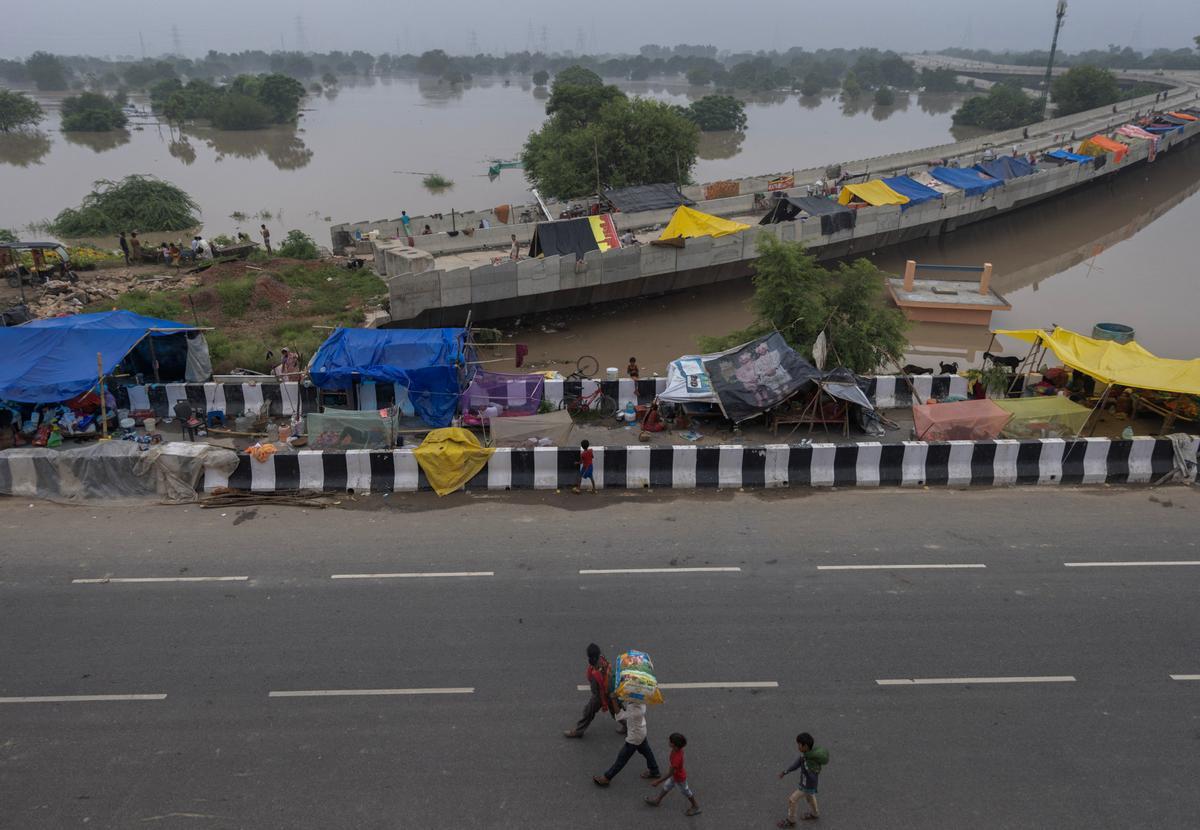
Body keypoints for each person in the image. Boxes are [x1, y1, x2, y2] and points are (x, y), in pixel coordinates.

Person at [592, 700, 660, 787]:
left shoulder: (634, 711)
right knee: (646, 751)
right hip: (641, 731)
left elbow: (619, 715)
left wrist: (613, 700)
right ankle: (654, 770)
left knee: (622, 758)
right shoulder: (641, 703)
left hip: (634, 736)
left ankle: (607, 778)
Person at [564, 643, 620, 738]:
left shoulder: (595, 672)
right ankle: (629, 726)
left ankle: (578, 731)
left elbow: (595, 689)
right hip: (609, 693)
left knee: (588, 712)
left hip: (601, 695)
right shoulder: (603, 660)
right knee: (617, 712)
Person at [778, 732, 829, 826]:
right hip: (809, 786)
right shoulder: (805, 755)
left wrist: (807, 771)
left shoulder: (810, 761)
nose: (798, 747)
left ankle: (791, 820)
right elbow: (796, 764)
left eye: (799, 745)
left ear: (805, 746)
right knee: (810, 798)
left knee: (792, 799)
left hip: (806, 785)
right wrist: (785, 772)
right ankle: (815, 813)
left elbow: (813, 776)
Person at [645, 733, 701, 816]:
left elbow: (670, 773)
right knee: (667, 786)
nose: (668, 742)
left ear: (674, 745)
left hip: (679, 778)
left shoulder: (676, 759)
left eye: (670, 741)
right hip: (675, 776)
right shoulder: (677, 750)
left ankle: (696, 806)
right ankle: (657, 800)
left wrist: (658, 781)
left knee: (686, 791)